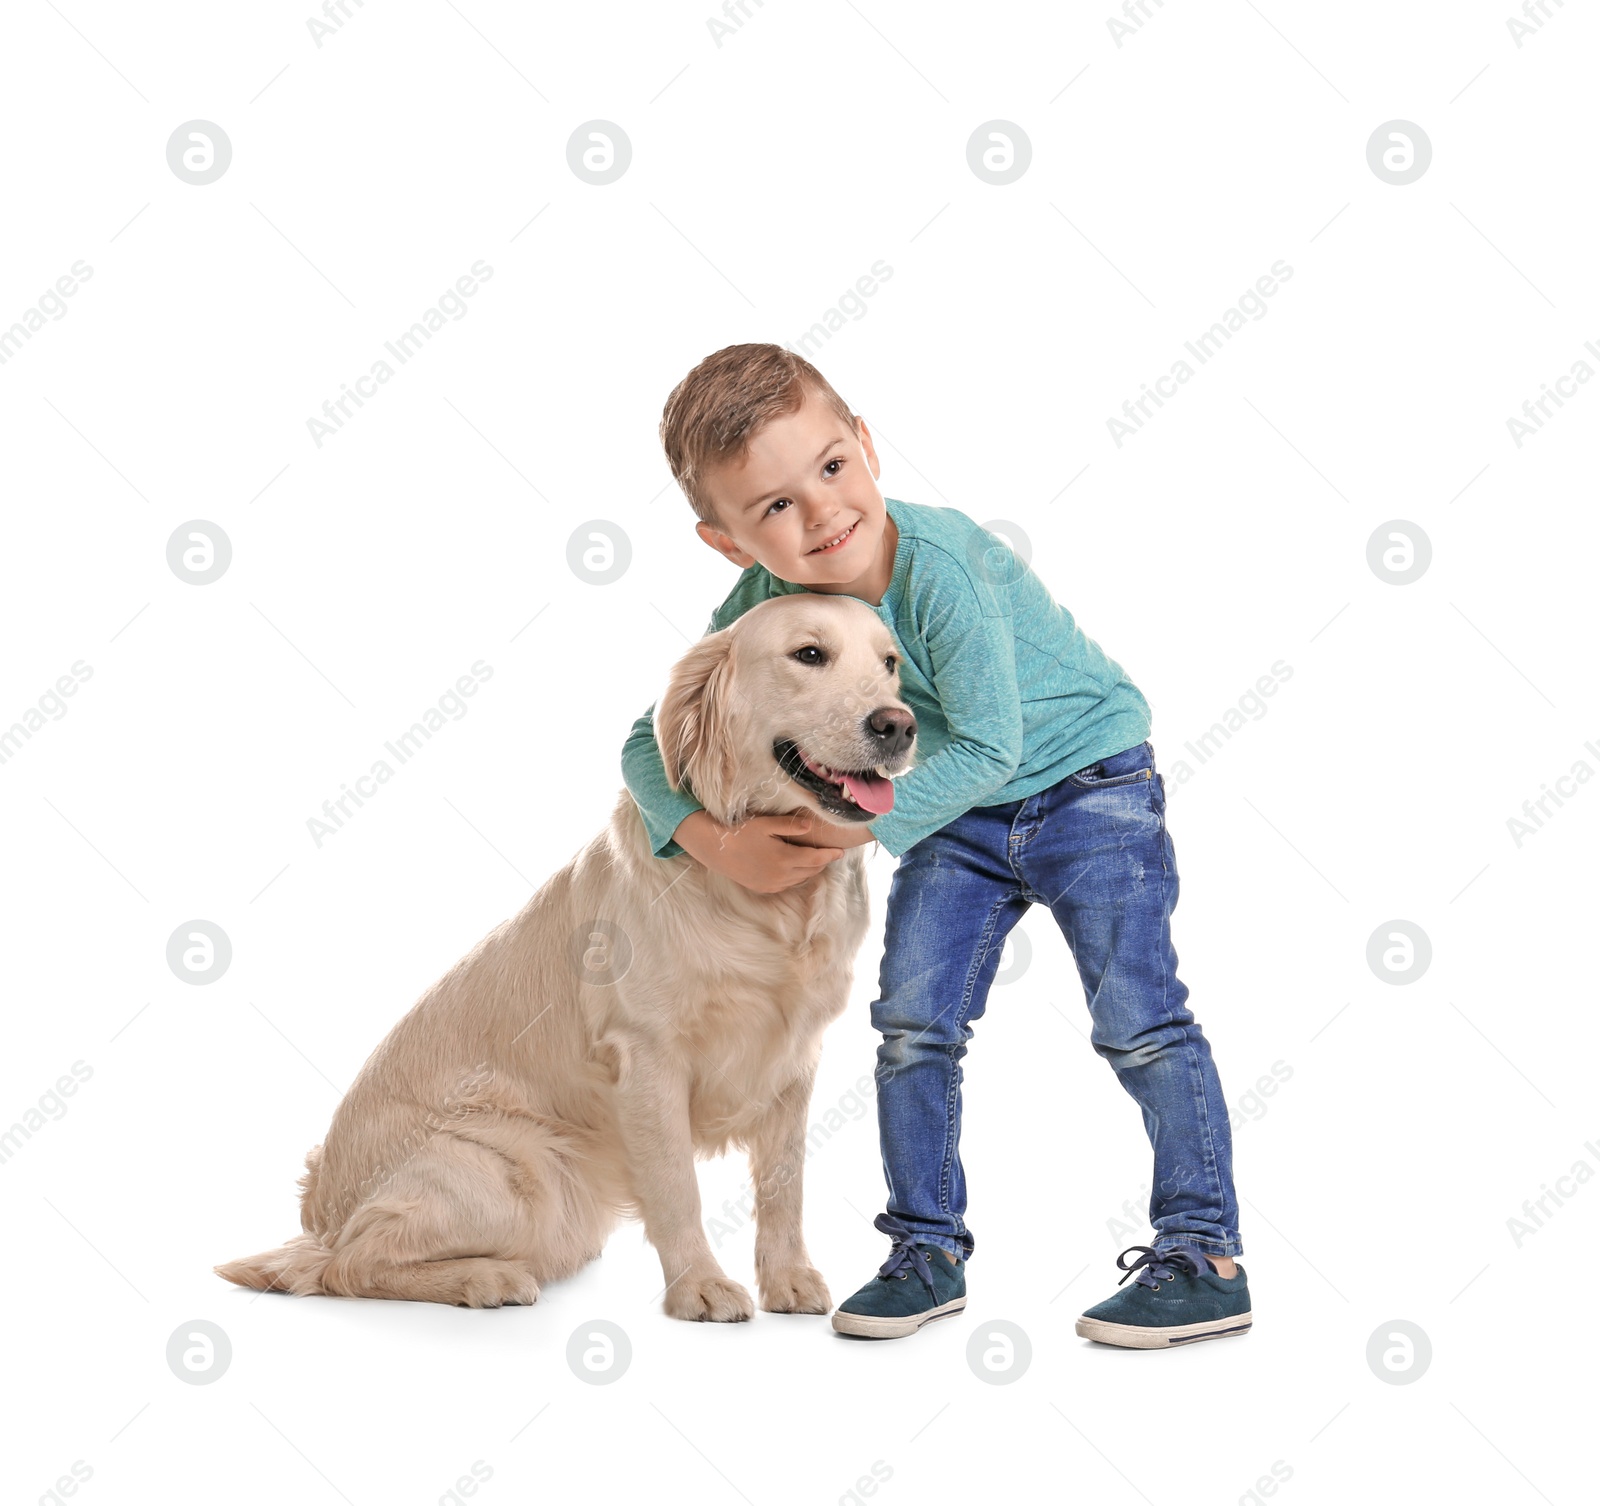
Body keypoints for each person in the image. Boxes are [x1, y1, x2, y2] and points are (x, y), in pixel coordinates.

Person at [621, 342, 1250, 1348]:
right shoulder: (758, 610)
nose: (822, 514)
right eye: (775, 506)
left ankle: (1205, 1255)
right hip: (959, 817)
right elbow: (640, 742)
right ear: (727, 543)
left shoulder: (942, 565)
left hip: (1089, 785)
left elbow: (993, 741)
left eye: (831, 469)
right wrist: (708, 839)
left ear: (866, 446)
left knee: (1139, 1020)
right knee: (912, 1027)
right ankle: (925, 1251)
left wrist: (836, 834)